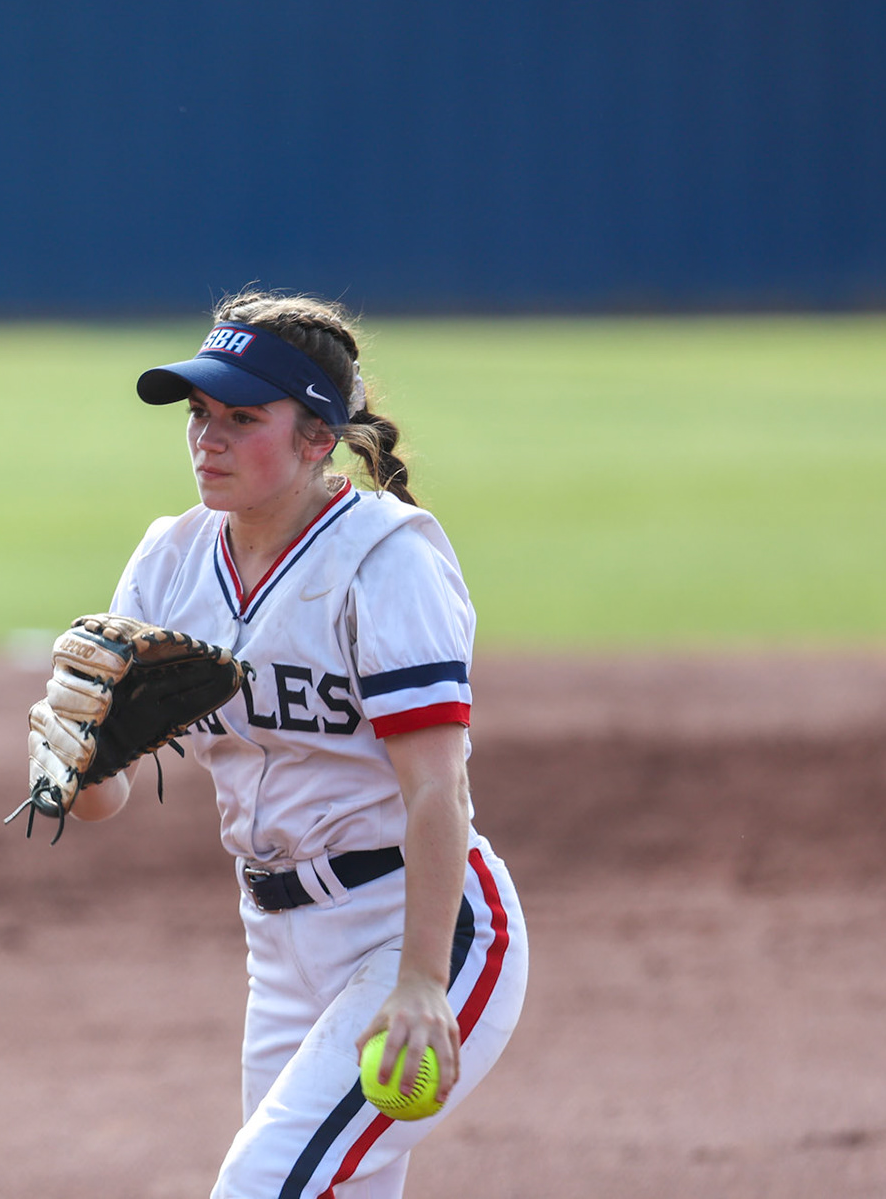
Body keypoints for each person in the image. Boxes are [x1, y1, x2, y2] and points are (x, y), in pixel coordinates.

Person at [38, 292, 528, 1198]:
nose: (206, 440)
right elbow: (102, 802)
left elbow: (436, 791)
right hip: (278, 944)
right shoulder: (170, 561)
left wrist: (421, 980)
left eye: (240, 417)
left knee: (263, 1187)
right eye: (198, 415)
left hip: (421, 927)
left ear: (316, 438)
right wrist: (86, 753)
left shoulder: (386, 561)